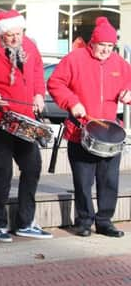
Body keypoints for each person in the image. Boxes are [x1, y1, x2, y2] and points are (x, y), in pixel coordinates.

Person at [0, 9, 53, 242]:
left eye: (19, 33)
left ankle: (26, 222)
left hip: (24, 118)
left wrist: (39, 94)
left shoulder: (29, 45)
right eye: (10, 35)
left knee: (32, 167)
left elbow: (37, 71)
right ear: (1, 35)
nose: (16, 38)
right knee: (3, 171)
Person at [47, 17, 131, 238]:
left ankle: (105, 221)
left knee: (109, 181)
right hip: (81, 131)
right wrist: (72, 102)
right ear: (92, 42)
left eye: (110, 46)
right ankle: (84, 221)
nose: (105, 50)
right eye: (102, 45)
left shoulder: (120, 64)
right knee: (83, 181)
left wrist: (129, 93)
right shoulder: (74, 59)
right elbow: (55, 83)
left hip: (110, 133)